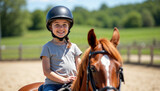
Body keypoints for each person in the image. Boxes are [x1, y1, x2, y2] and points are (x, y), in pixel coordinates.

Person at [40, 6, 82, 91]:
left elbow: (80, 67)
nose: (61, 28)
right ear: (51, 27)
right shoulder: (47, 47)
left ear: (69, 27)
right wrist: (64, 80)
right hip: (53, 85)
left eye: (64, 25)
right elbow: (46, 71)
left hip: (72, 83)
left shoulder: (74, 47)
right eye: (57, 25)